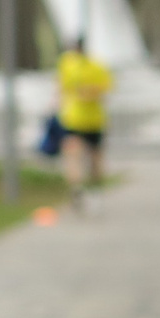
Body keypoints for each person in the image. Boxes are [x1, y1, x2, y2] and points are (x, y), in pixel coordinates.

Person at [57, 36, 112, 205]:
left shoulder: (67, 64)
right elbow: (107, 87)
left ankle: (78, 187)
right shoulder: (97, 65)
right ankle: (92, 189)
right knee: (92, 157)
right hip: (91, 119)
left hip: (75, 118)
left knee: (75, 156)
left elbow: (60, 89)